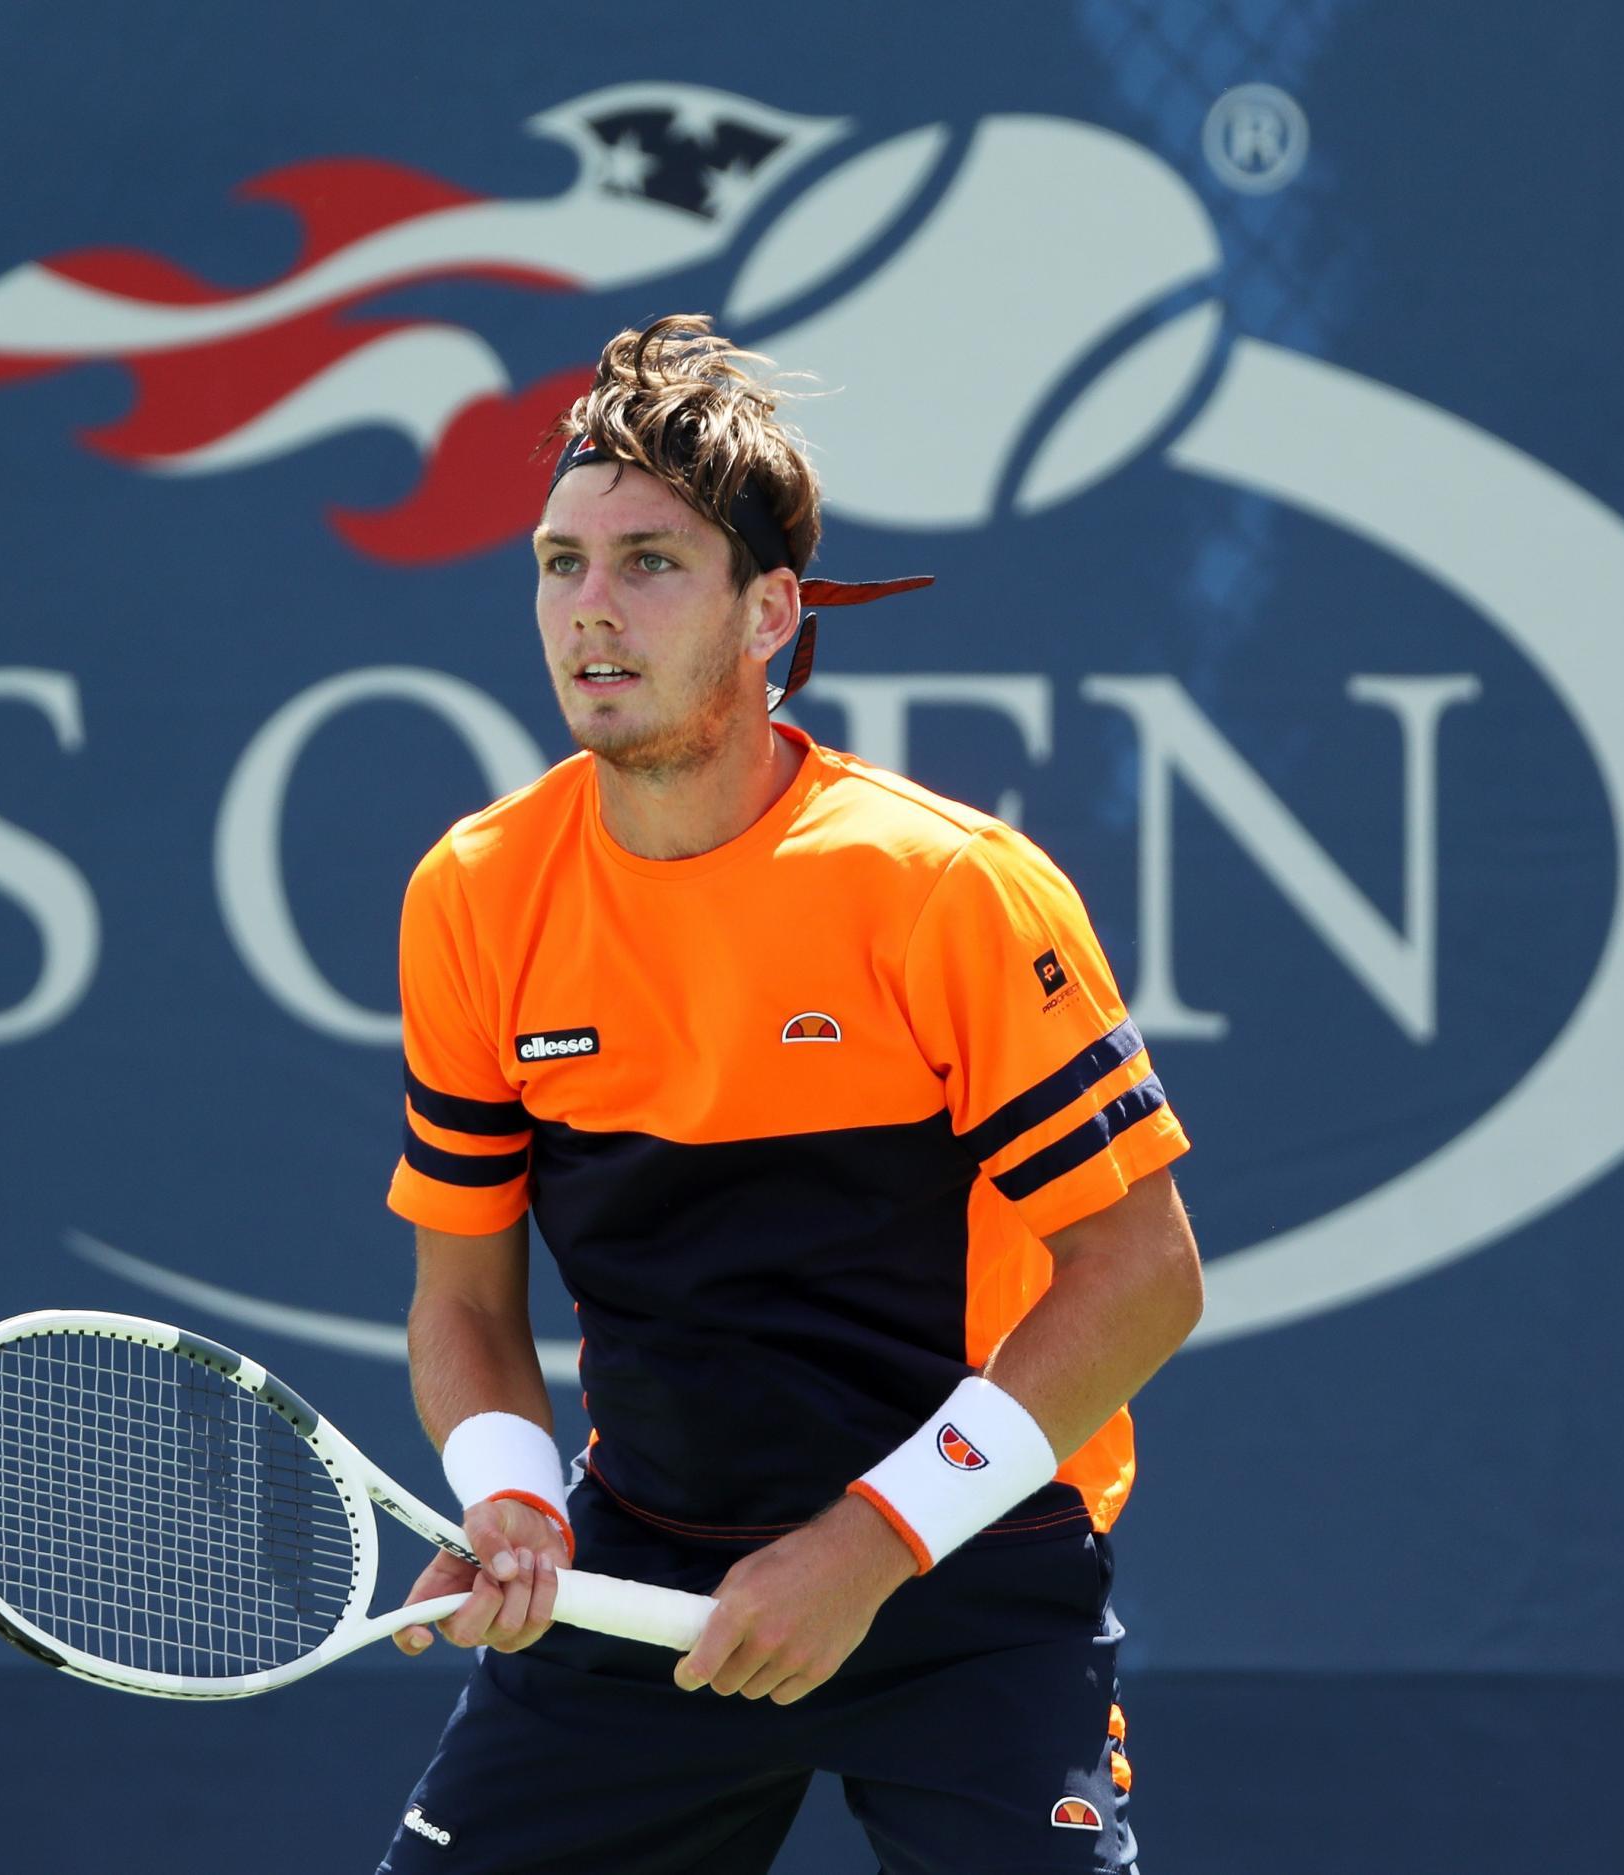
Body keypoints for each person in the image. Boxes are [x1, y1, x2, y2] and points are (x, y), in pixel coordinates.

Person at [376, 313, 1203, 1875]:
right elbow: (465, 1300)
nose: (589, 612)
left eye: (648, 563)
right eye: (559, 565)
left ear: (769, 613)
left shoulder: (944, 888)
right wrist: (511, 1503)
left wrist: (866, 1549)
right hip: (647, 1570)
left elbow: (1143, 1277)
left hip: (966, 1566)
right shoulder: (476, 895)